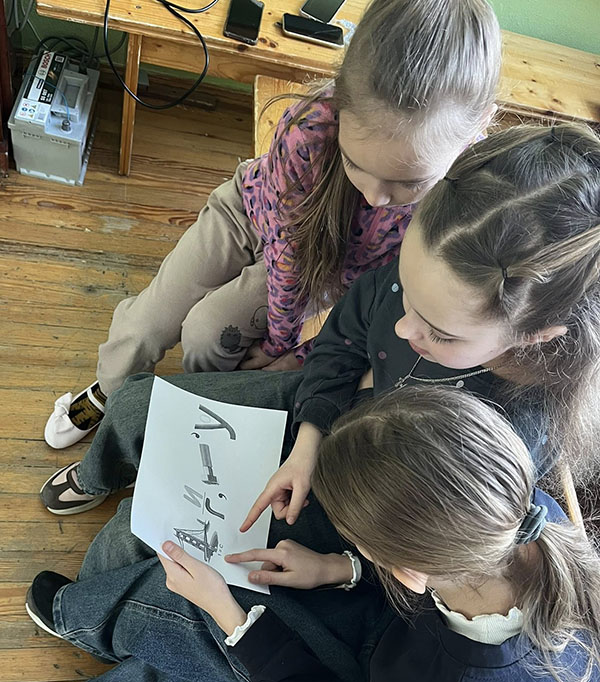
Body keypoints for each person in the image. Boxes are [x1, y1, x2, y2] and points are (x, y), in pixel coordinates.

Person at [26, 387, 600, 682]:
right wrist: (339, 567)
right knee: (230, 648)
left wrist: (229, 615)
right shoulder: (524, 516)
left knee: (203, 621)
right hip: (425, 678)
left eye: (363, 545)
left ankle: (82, 623)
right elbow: (435, 585)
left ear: (406, 570)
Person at [39, 122, 600, 517]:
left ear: (536, 336)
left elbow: (407, 528)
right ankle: (111, 450)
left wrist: (335, 556)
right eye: (406, 296)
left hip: (358, 489)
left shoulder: (509, 434)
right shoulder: (436, 272)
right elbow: (348, 331)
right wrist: (310, 434)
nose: (402, 328)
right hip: (324, 416)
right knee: (140, 400)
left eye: (440, 332)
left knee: (138, 534)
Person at [42, 0, 501, 450]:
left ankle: (196, 411)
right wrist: (280, 342)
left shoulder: (468, 197)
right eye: (355, 164)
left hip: (325, 267)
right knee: (147, 322)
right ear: (341, 103)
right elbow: (287, 257)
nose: (375, 197)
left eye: (409, 182)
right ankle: (109, 389)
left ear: (475, 127)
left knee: (207, 335)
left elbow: (377, 305)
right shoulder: (309, 127)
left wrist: (296, 355)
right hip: (249, 214)